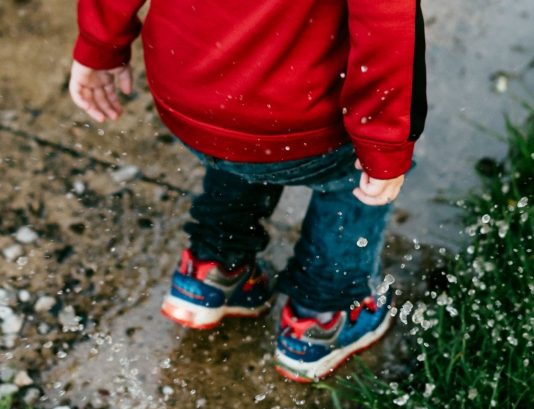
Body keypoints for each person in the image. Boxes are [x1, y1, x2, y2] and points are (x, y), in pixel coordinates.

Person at [69, 0, 427, 382]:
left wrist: (99, 45)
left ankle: (213, 267)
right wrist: (384, 143)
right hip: (297, 111)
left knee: (239, 139)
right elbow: (386, 21)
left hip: (189, 91)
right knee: (351, 178)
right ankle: (324, 315)